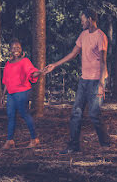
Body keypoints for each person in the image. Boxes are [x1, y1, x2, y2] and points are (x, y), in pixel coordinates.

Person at [45, 8, 111, 154]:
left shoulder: (101, 37)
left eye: (82, 19)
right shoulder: (83, 35)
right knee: (76, 112)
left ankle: (106, 144)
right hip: (84, 80)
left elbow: (103, 62)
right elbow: (73, 54)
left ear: (89, 19)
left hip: (96, 81)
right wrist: (54, 65)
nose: (81, 22)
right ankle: (74, 146)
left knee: (94, 114)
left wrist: (101, 84)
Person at [1, 38, 44, 150]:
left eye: (18, 48)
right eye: (14, 48)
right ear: (10, 49)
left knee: (24, 114)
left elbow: (32, 73)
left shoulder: (25, 61)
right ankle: (10, 141)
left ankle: (34, 139)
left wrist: (40, 71)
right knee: (11, 116)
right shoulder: (8, 63)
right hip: (10, 94)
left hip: (22, 92)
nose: (16, 50)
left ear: (21, 49)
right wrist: (3, 95)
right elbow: (6, 80)